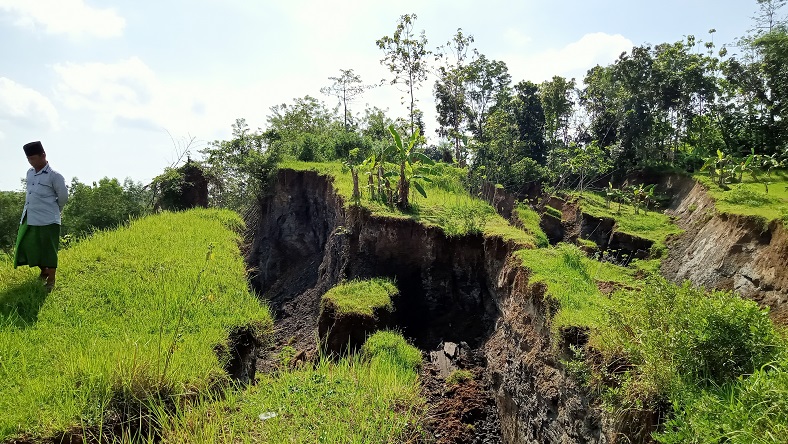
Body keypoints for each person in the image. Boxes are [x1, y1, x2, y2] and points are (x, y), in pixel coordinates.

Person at [14, 141, 68, 291]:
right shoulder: (29, 173)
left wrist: (55, 210)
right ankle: (43, 270)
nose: (31, 162)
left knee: (48, 249)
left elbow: (63, 197)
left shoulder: (55, 176)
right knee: (26, 245)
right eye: (29, 159)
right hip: (29, 216)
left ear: (43, 155)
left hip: (48, 219)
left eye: (34, 158)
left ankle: (51, 280)